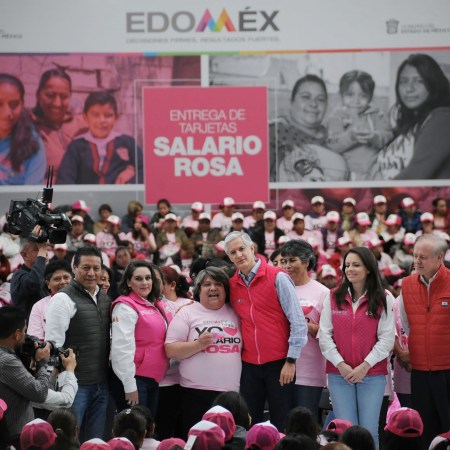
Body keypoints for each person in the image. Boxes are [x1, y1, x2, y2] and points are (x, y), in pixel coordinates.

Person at [224, 231, 308, 432]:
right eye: (233, 253)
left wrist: (291, 360)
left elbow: (298, 322)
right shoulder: (232, 284)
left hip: (280, 364)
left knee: (282, 423)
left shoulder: (278, 277)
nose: (239, 255)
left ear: (252, 249)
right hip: (249, 366)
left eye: (242, 249)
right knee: (249, 423)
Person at [319, 246, 395, 449]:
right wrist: (341, 365)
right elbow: (324, 336)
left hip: (372, 375)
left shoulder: (384, 298)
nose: (350, 269)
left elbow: (387, 339)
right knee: (346, 431)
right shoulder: (333, 297)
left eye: (356, 265)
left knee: (369, 431)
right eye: (347, 265)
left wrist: (364, 366)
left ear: (368, 268)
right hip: (339, 375)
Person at [165, 266, 242, 439]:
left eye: (218, 284)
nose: (213, 288)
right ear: (198, 290)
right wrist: (198, 345)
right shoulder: (187, 313)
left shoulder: (236, 312)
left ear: (226, 289)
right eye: (207, 284)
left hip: (230, 395)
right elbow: (170, 349)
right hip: (195, 393)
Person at [45, 246, 111, 442]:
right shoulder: (63, 299)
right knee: (69, 442)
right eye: (85, 267)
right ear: (74, 268)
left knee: (95, 442)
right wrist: (58, 381)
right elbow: (53, 344)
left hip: (101, 383)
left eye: (96, 268)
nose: (91, 273)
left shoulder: (105, 298)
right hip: (75, 386)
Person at [398, 234, 450, 449]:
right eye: (415, 256)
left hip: (447, 369)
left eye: (423, 257)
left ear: (439, 257)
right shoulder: (407, 284)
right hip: (420, 372)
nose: (417, 261)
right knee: (425, 430)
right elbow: (406, 324)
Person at [375, 53, 450, 180]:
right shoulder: (407, 123)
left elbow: (414, 176)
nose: (409, 89)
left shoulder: (442, 118)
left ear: (433, 83)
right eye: (403, 82)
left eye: (419, 81)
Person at [111, 261, 171, 416]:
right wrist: (130, 386)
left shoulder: (153, 304)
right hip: (136, 380)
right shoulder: (125, 306)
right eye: (138, 279)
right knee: (135, 426)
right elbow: (121, 349)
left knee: (148, 426)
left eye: (148, 278)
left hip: (152, 379)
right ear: (128, 282)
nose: (145, 282)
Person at [279, 240, 329, 417]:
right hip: (279, 369)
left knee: (305, 424)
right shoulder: (276, 289)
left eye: (293, 260)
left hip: (309, 371)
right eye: (284, 261)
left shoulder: (323, 293)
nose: (287, 265)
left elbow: (328, 333)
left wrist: (301, 325)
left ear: (307, 262)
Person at [269, 75, 348, 182]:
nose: (313, 104)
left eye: (320, 99)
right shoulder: (272, 132)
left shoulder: (336, 138)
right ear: (291, 102)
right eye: (306, 97)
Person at [57, 90, 144, 184]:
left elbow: (144, 169)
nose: (102, 120)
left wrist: (131, 175)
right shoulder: (76, 146)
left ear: (116, 118)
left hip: (122, 193)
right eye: (95, 115)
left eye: (108, 115)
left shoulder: (128, 143)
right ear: (85, 118)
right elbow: (65, 178)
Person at [327, 70, 393, 180]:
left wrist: (374, 137)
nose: (356, 101)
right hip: (347, 171)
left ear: (370, 97)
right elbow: (331, 144)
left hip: (376, 169)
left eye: (363, 96)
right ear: (341, 95)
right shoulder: (336, 117)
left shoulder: (377, 114)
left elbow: (388, 136)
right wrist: (350, 137)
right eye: (350, 95)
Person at [0, 306, 51, 448]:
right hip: (15, 436)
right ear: (16, 334)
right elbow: (40, 393)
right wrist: (42, 362)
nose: (25, 335)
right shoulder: (7, 362)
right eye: (24, 331)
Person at [31, 68, 87, 180]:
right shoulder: (27, 128)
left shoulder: (83, 123)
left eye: (64, 97)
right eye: (50, 95)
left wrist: (125, 170)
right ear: (38, 95)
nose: (57, 103)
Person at [0, 73, 46, 185]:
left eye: (14, 104)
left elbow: (33, 192)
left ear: (22, 104)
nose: (7, 113)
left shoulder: (32, 144)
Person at [28, 259, 73, 340]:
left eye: (66, 277)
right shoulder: (39, 307)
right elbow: (35, 338)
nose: (63, 282)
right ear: (48, 284)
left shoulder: (83, 301)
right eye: (57, 279)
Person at [11, 226, 48, 317]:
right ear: (24, 255)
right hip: (27, 325)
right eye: (37, 249)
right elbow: (35, 283)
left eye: (44, 248)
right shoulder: (18, 276)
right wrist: (42, 250)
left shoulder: (44, 273)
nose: (44, 252)